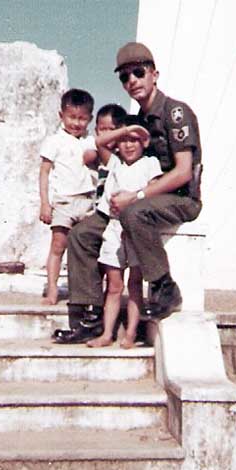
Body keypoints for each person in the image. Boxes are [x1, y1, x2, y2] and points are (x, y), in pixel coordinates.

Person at [54, 42, 202, 344]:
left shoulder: (175, 113)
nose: (132, 81)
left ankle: (164, 287)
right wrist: (124, 132)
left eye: (138, 72)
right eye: (125, 77)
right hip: (138, 201)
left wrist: (136, 196)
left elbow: (183, 171)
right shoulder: (139, 119)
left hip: (179, 199)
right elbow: (102, 142)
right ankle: (89, 317)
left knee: (136, 213)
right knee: (81, 234)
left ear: (154, 74)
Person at [87, 115, 162, 348]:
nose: (129, 145)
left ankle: (130, 333)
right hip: (114, 228)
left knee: (135, 284)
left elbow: (153, 189)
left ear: (145, 142)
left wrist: (131, 200)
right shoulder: (115, 164)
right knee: (114, 285)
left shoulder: (150, 163)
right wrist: (125, 129)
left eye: (135, 140)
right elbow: (100, 142)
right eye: (124, 140)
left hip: (137, 230)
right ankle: (107, 333)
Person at [38, 88, 97, 305]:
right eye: (72, 117)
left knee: (85, 249)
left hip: (87, 202)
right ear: (61, 115)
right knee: (58, 245)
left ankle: (83, 291)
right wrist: (45, 203)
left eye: (82, 118)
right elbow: (44, 172)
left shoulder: (91, 141)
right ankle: (52, 289)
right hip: (63, 201)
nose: (76, 123)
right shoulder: (54, 141)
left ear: (90, 118)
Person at [93, 103, 127, 206]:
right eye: (102, 129)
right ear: (96, 130)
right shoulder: (92, 151)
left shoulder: (122, 156)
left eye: (112, 130)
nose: (107, 134)